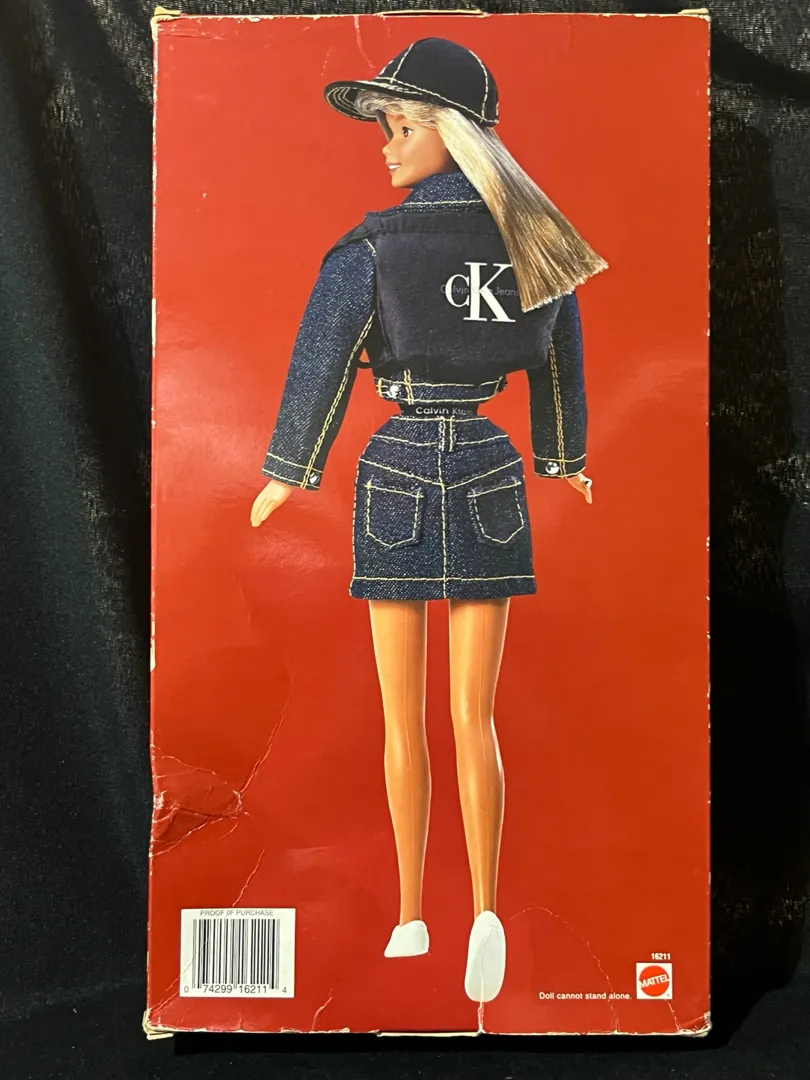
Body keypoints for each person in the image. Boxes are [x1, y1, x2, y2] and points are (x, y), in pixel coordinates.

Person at [249, 37, 606, 1003]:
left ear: (450, 132)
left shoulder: (374, 246)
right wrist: (564, 459)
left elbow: (321, 359)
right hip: (491, 463)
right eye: (388, 128)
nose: (387, 145)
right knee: (472, 715)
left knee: (400, 717)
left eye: (402, 127)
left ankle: (412, 915)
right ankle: (484, 908)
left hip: (399, 463)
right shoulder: (535, 237)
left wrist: (289, 472)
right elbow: (562, 364)